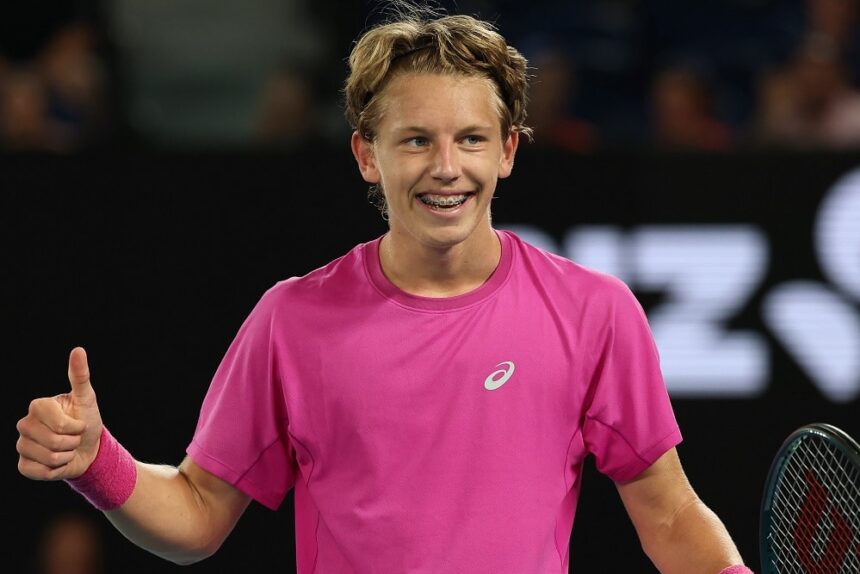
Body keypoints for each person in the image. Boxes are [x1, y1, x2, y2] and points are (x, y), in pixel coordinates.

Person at [16, 4, 753, 573]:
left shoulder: (595, 312)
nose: (446, 167)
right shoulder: (292, 318)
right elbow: (199, 515)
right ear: (368, 155)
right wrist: (98, 463)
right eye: (416, 140)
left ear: (507, 151)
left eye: (470, 139)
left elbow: (670, 517)